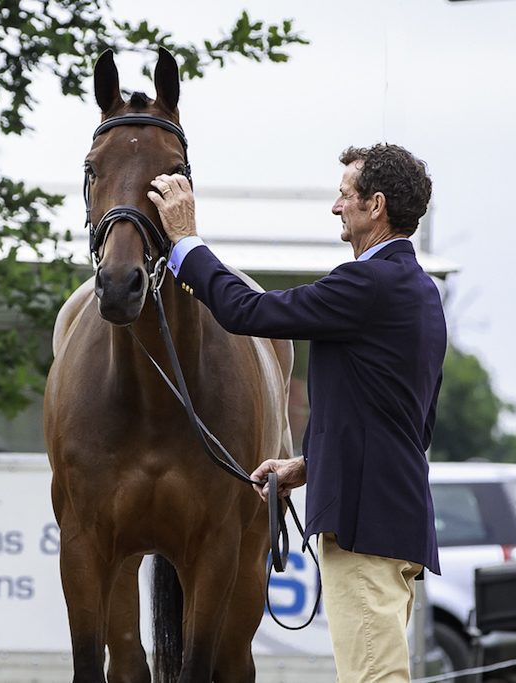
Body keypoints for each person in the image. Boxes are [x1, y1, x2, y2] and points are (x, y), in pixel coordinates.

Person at [149, 143, 446, 683]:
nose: (336, 207)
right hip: (394, 522)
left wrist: (186, 241)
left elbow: (248, 311)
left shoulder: (367, 283)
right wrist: (304, 468)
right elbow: (405, 424)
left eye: (344, 195)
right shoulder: (419, 290)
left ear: (375, 205)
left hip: (365, 527)